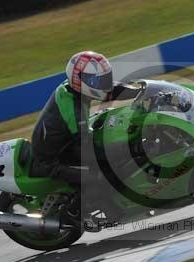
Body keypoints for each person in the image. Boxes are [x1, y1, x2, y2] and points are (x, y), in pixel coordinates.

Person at [30, 51, 140, 186]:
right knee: (103, 178)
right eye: (98, 80)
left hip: (69, 142)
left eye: (105, 78)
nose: (104, 84)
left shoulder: (76, 88)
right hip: (51, 160)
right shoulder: (72, 109)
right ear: (81, 79)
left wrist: (140, 91)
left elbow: (112, 91)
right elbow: (85, 149)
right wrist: (125, 150)